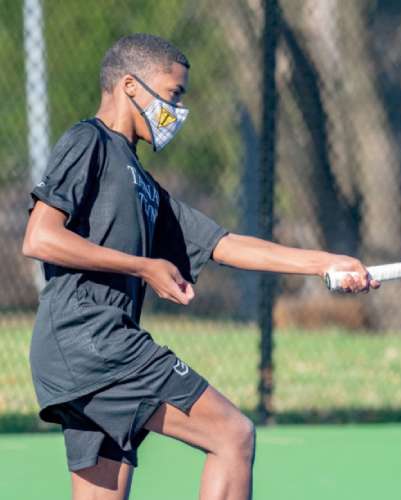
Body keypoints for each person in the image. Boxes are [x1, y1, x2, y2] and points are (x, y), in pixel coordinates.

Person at [22, 33, 379, 500]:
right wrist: (144, 266)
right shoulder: (89, 141)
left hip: (75, 355)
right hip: (94, 342)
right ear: (130, 86)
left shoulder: (143, 185)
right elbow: (40, 236)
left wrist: (324, 262)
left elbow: (226, 245)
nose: (177, 113)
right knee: (233, 435)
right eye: (173, 96)